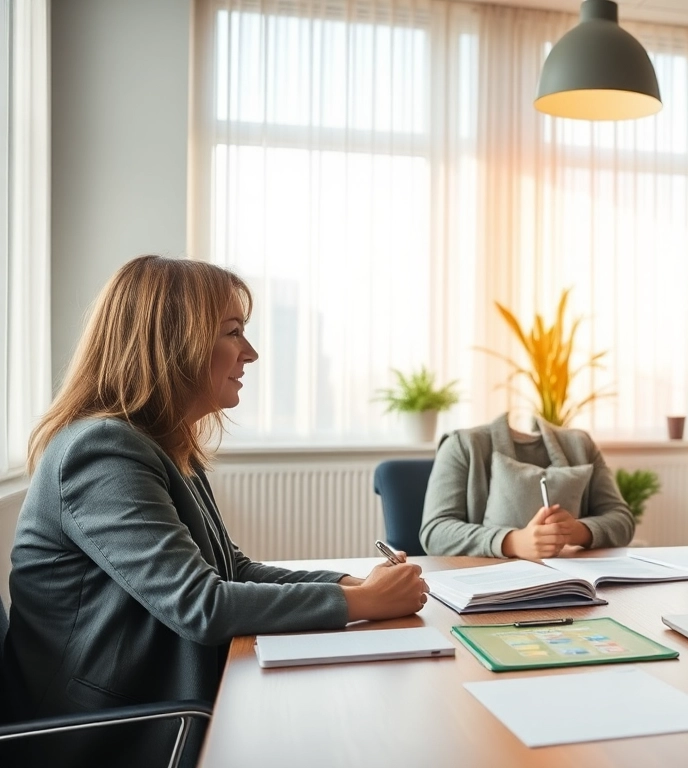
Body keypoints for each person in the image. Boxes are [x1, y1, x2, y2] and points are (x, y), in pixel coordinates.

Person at [1, 256, 429, 766]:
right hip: (103, 732)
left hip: (160, 701)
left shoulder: (161, 443)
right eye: (233, 333)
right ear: (172, 343)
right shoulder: (102, 452)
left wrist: (348, 586)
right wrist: (362, 605)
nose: (250, 352)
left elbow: (232, 570)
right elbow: (201, 605)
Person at [420, 413, 635, 560]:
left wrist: (576, 531)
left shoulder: (581, 444)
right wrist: (512, 542)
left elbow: (621, 519)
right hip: (485, 590)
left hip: (571, 586)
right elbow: (435, 531)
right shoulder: (461, 445)